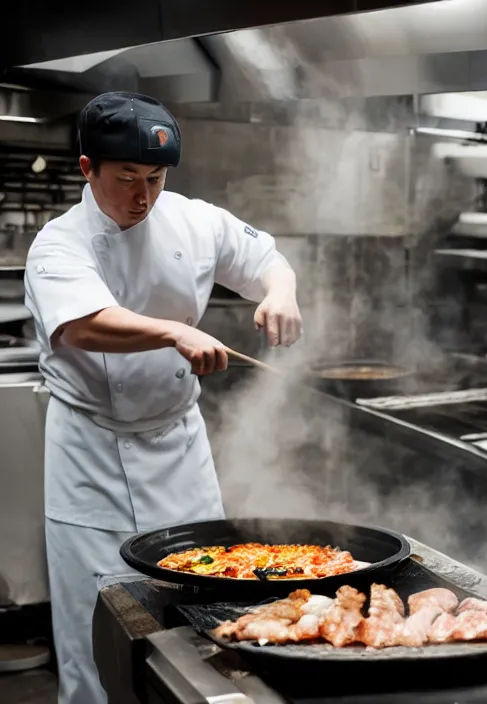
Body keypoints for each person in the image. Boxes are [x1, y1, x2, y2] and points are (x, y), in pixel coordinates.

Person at [24, 91, 302, 704]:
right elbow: (84, 324)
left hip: (178, 445)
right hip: (91, 453)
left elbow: (265, 258)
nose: (143, 196)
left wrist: (280, 291)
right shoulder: (57, 243)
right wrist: (175, 330)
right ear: (87, 168)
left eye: (155, 177)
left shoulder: (191, 219)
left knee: (203, 601)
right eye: (127, 179)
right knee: (97, 621)